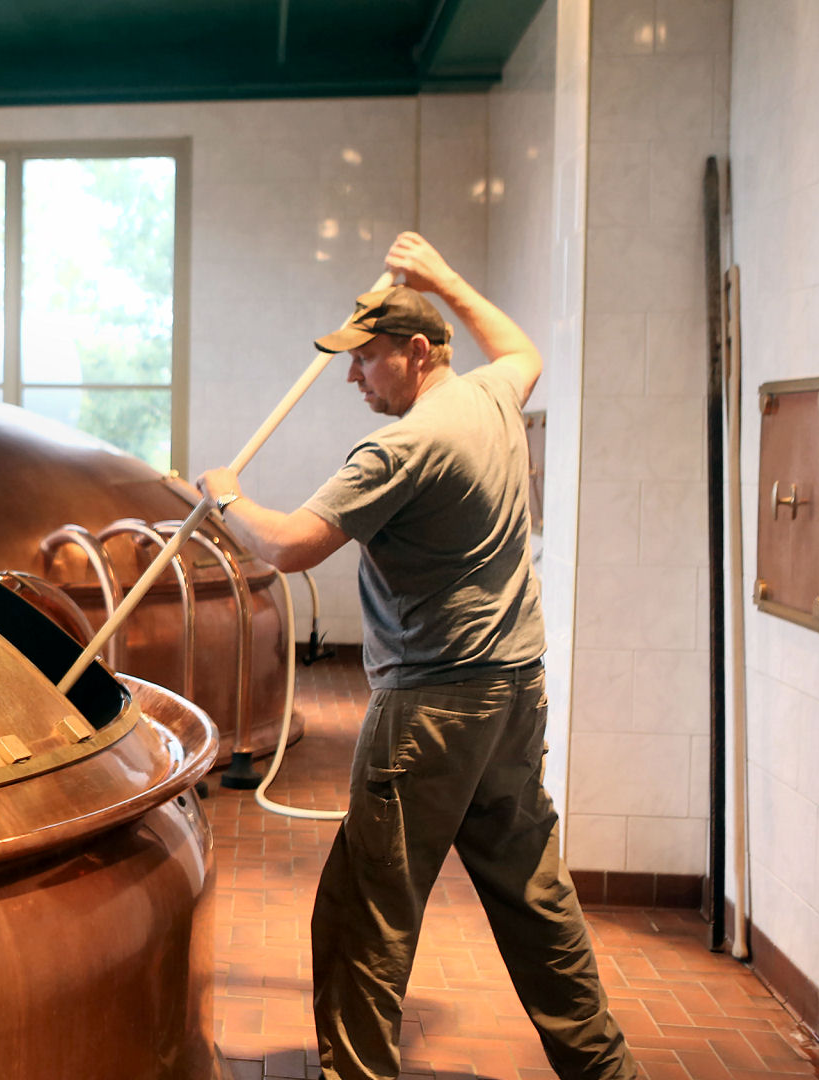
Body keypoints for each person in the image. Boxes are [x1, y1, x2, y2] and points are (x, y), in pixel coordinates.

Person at [198, 232, 635, 1080]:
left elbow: (288, 548)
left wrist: (226, 499)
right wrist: (443, 277)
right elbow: (522, 349)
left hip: (434, 709)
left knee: (365, 913)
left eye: (366, 361)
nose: (354, 378)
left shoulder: (402, 448)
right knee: (534, 898)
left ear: (417, 352)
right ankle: (607, 1072)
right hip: (514, 691)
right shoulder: (490, 398)